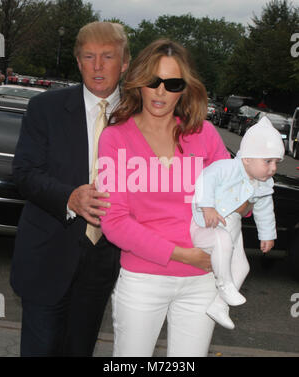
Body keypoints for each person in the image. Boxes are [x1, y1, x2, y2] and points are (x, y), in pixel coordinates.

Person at [97, 39, 231, 357]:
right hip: (143, 280)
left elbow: (235, 201)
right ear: (139, 82)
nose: (160, 92)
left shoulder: (205, 135)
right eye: (152, 81)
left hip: (201, 282)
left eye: (172, 84)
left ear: (184, 89)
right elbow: (114, 222)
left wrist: (250, 193)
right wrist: (183, 255)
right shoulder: (115, 138)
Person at [10, 21, 130, 357]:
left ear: (124, 63)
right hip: (46, 258)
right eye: (88, 56)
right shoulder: (45, 109)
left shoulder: (140, 116)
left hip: (103, 263)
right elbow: (25, 173)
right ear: (78, 62)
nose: (97, 65)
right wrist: (69, 197)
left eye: (107, 56)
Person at [190, 116, 285, 330]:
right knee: (223, 240)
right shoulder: (227, 167)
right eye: (267, 161)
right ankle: (224, 285)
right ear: (247, 159)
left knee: (242, 266)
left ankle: (219, 305)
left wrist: (267, 235)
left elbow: (264, 210)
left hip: (231, 228)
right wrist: (207, 207)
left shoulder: (263, 184)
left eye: (276, 163)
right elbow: (206, 178)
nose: (272, 169)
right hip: (206, 225)